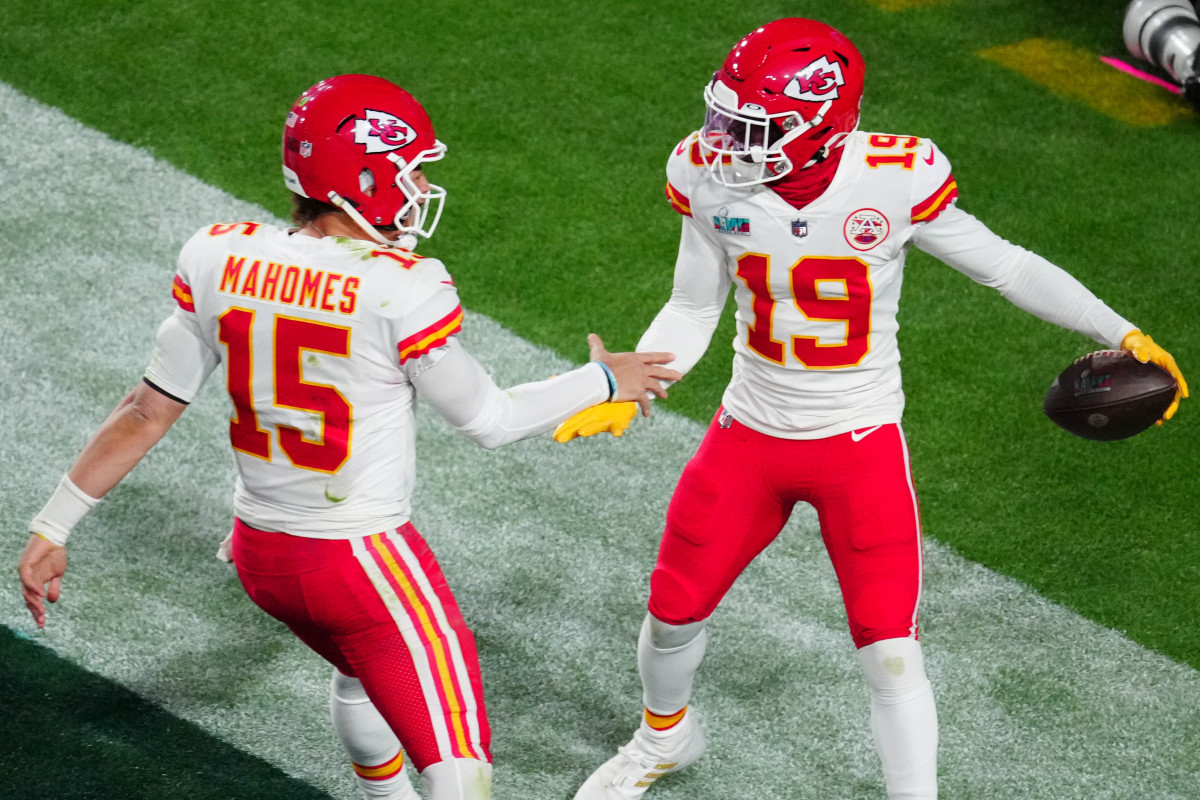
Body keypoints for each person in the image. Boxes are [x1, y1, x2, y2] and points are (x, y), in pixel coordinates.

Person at [554, 19, 1189, 800]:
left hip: (857, 443)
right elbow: (691, 307)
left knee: (890, 648)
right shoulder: (707, 174)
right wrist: (637, 379)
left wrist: (1118, 330)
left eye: (754, 127)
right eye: (727, 118)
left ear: (825, 126)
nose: (727, 142)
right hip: (748, 433)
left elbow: (1005, 266)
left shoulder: (897, 177)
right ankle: (663, 737)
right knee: (672, 610)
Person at [17, 73, 680, 800]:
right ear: (360, 176)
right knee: (460, 771)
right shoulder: (401, 285)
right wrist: (605, 379)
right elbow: (489, 420)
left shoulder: (218, 257)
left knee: (363, 674)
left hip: (262, 555)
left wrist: (54, 525)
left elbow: (146, 408)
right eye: (410, 170)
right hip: (357, 560)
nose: (420, 185)